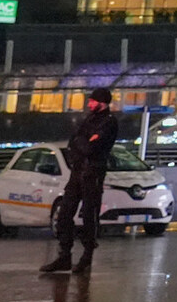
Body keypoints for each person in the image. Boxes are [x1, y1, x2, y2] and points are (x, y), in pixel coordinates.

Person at [42, 86, 121, 275]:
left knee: (89, 215)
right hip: (78, 173)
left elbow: (91, 147)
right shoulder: (90, 120)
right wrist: (84, 142)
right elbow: (75, 142)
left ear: (101, 103)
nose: (89, 103)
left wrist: (83, 142)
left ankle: (86, 257)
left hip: (92, 174)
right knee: (65, 213)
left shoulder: (109, 122)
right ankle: (64, 256)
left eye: (92, 101)